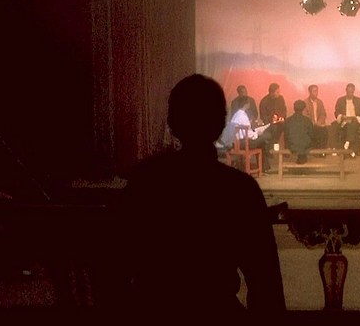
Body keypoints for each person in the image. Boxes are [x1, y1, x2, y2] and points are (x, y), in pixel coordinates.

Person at [122, 74, 286, 313]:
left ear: (171, 122)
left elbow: (116, 268)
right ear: (221, 124)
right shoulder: (240, 190)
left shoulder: (144, 180)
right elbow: (266, 287)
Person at [219, 95, 274, 172]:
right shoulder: (243, 116)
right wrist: (257, 134)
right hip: (243, 143)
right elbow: (247, 134)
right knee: (267, 135)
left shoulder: (236, 114)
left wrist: (255, 131)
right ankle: (266, 158)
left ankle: (264, 167)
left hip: (236, 142)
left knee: (262, 142)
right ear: (247, 104)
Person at [330, 83, 360, 157]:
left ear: (354, 91)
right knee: (333, 126)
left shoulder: (358, 100)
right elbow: (336, 112)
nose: (350, 94)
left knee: (352, 124)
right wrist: (341, 116)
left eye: (351, 92)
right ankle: (336, 147)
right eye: (349, 92)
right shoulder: (340, 100)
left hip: (354, 121)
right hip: (344, 120)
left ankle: (347, 142)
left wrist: (356, 118)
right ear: (346, 91)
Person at [285, 99, 313, 164]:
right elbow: (311, 135)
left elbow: (286, 136)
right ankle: (302, 158)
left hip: (292, 146)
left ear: (294, 108)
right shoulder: (307, 120)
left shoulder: (288, 120)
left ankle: (300, 158)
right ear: (303, 109)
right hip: (305, 146)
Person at [302, 84, 329, 149]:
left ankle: (322, 151)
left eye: (317, 91)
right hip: (310, 125)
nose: (316, 93)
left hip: (319, 125)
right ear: (309, 92)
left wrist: (319, 122)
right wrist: (313, 123)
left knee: (325, 130)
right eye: (314, 91)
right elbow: (305, 115)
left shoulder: (320, 102)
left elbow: (323, 114)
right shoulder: (305, 102)